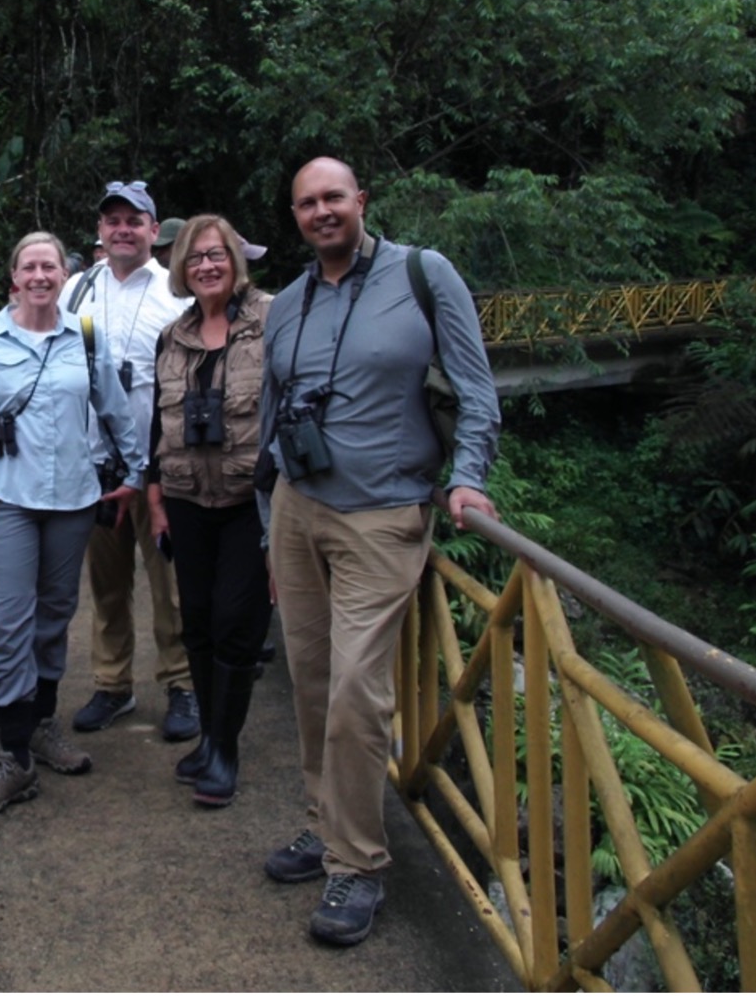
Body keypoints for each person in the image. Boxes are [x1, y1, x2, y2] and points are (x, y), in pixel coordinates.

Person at [258, 157, 500, 944]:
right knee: (312, 679)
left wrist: (466, 478)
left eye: (334, 197)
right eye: (307, 203)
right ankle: (327, 825)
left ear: (361, 200)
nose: (322, 211)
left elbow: (476, 385)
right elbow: (271, 414)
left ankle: (357, 865)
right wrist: (271, 521)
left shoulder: (424, 275)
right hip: (299, 511)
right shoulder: (288, 302)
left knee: (359, 691)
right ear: (294, 215)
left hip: (383, 515)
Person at [0, 231, 146, 817]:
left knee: (55, 616)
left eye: (49, 266)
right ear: (14, 278)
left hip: (74, 500)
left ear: (67, 274)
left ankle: (40, 725)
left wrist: (136, 470)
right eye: (28, 266)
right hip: (7, 500)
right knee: (8, 623)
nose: (39, 275)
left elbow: (113, 406)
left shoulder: (85, 336)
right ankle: (15, 759)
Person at [59, 181, 197, 741]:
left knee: (171, 584)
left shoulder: (177, 289)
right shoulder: (74, 289)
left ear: (152, 228)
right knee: (106, 584)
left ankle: (182, 685)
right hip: (94, 465)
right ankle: (112, 685)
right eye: (111, 220)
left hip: (161, 465)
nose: (121, 229)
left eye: (133, 220)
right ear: (99, 231)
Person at [146, 215, 273, 807]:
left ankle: (226, 748)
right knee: (194, 619)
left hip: (249, 499)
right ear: (181, 267)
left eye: (217, 254)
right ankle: (207, 739)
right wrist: (154, 497)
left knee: (234, 623)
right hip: (185, 498)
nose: (206, 266)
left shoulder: (272, 321)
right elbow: (156, 424)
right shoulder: (172, 337)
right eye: (195, 258)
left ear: (235, 259)